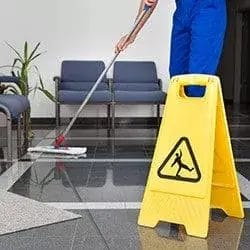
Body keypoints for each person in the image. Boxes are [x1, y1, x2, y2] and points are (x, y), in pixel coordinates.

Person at [115, 0, 227, 97]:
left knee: (198, 78)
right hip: (183, 12)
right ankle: (180, 120)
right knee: (177, 76)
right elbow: (148, 2)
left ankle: (196, 120)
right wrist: (132, 33)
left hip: (208, 9)